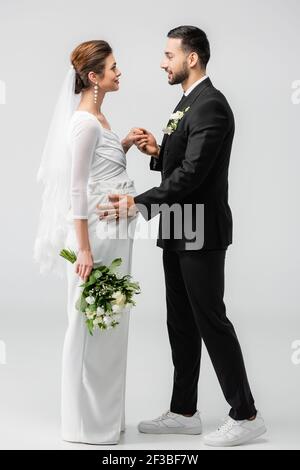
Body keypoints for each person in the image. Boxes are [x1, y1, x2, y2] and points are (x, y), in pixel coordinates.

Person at [97, 26, 267, 447]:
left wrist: (136, 203)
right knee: (181, 323)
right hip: (178, 226)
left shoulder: (211, 105)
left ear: (192, 58)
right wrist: (159, 152)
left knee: (210, 320)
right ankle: (184, 411)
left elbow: (194, 175)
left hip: (201, 230)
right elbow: (184, 161)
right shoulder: (187, 103)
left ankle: (246, 414)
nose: (162, 62)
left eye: (168, 54)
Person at [34, 40, 140, 445]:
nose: (119, 72)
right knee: (91, 320)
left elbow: (101, 168)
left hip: (116, 234)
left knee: (111, 321)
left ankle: (106, 419)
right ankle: (85, 425)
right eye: (114, 67)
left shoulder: (99, 118)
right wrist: (83, 248)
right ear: (93, 77)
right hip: (95, 234)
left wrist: (124, 144)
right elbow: (77, 190)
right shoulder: (83, 123)